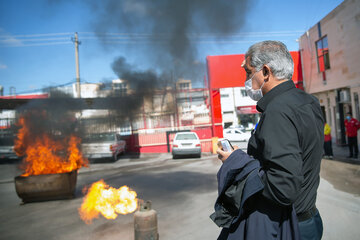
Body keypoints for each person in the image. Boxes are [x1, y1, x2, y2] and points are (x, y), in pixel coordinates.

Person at [215, 41, 324, 240]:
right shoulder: (308, 101)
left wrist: (236, 161)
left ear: (266, 72)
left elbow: (282, 186)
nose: (247, 80)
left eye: (249, 72)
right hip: (310, 220)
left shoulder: (278, 111)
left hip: (288, 228)